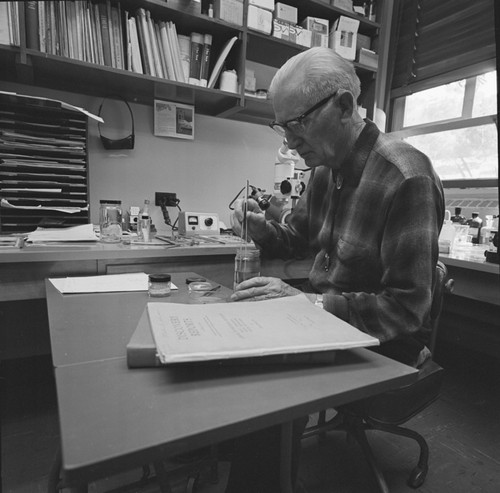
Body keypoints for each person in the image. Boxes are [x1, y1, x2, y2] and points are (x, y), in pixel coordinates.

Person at [225, 47, 444, 492]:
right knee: (239, 341)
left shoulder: (406, 176)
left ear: (344, 106)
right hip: (328, 320)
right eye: (281, 127)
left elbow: (406, 310)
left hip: (388, 342)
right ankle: (223, 451)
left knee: (268, 378)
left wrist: (308, 305)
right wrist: (262, 229)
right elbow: (297, 240)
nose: (289, 142)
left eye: (297, 125)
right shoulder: (325, 172)